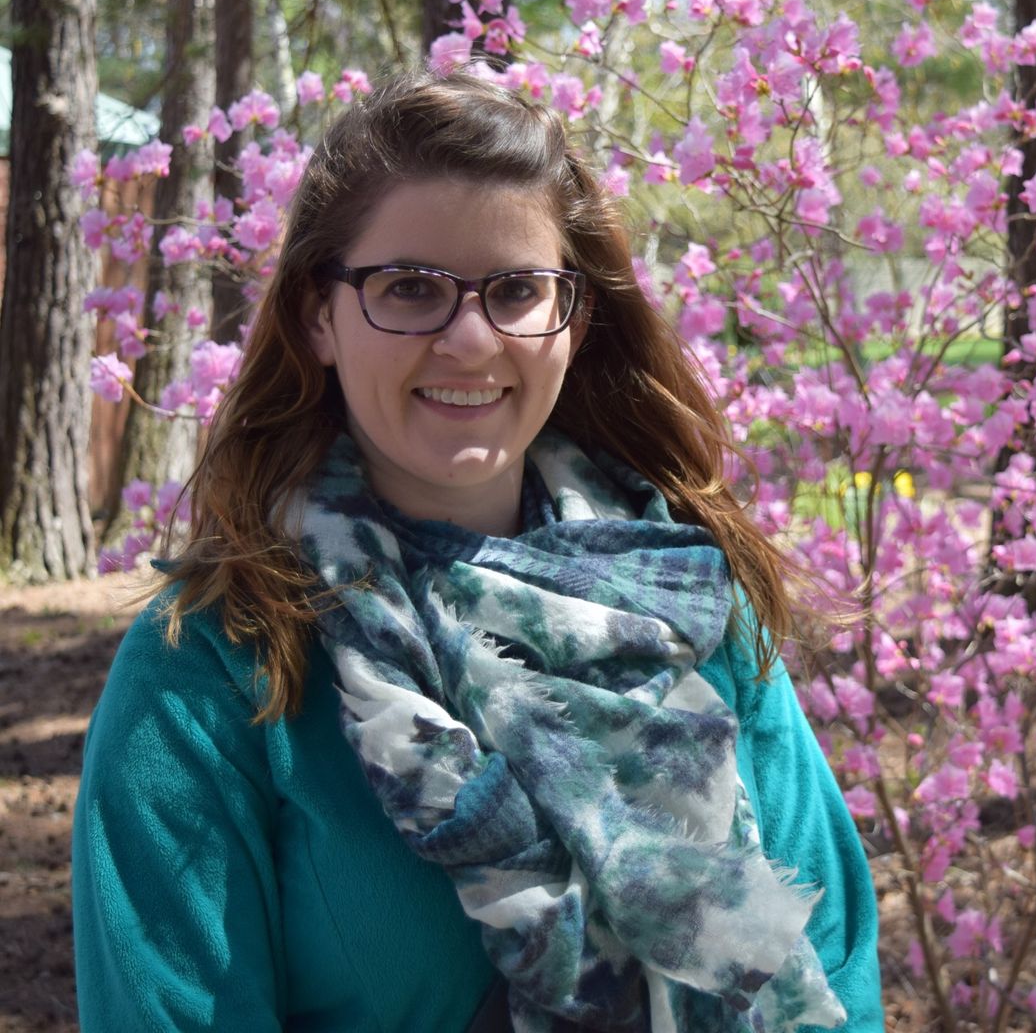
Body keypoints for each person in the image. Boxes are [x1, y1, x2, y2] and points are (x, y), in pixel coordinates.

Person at [72, 71, 883, 1032]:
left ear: (572, 322)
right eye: (408, 287)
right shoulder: (215, 667)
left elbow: (837, 969)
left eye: (515, 291)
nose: (468, 338)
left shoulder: (693, 605)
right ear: (316, 317)